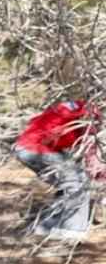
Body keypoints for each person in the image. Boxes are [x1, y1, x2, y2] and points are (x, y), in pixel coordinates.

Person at [13, 99, 98, 237]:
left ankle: (47, 225)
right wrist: (88, 111)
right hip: (34, 148)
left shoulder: (80, 118)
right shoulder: (81, 109)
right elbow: (62, 113)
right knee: (77, 184)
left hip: (29, 148)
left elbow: (91, 153)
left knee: (70, 181)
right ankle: (71, 230)